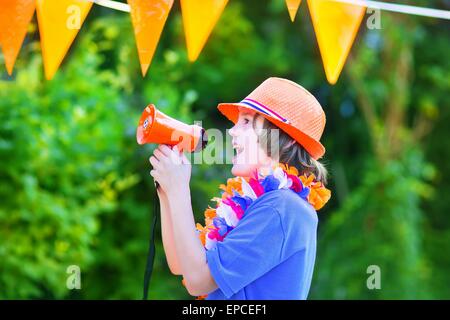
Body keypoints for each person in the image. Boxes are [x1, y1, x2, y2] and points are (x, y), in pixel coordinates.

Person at [149, 77, 331, 300]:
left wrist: (179, 189)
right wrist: (167, 190)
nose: (233, 131)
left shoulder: (282, 207)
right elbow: (180, 263)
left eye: (246, 122)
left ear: (287, 138)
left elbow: (198, 282)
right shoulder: (262, 203)